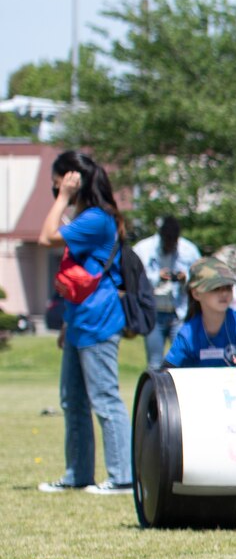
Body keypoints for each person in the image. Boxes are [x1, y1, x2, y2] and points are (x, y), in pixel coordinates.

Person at [38, 150, 132, 494]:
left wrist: (62, 197)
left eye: (57, 183)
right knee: (72, 400)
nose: (54, 189)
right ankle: (78, 474)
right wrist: (66, 324)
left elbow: (46, 237)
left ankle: (122, 477)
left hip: (99, 321)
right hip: (78, 322)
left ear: (72, 181)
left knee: (105, 399)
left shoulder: (97, 219)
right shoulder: (88, 218)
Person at [166, 258, 236, 367]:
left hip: (235, 383)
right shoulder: (188, 333)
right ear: (196, 293)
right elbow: (166, 370)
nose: (224, 293)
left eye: (228, 287)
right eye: (215, 288)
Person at [130, 216, 200, 371]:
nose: (169, 245)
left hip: (179, 314)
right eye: (166, 241)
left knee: (183, 362)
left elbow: (200, 277)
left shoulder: (189, 250)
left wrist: (185, 278)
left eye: (173, 242)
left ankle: (179, 395)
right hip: (153, 313)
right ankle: (156, 395)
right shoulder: (143, 249)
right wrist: (157, 277)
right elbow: (132, 278)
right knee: (155, 364)